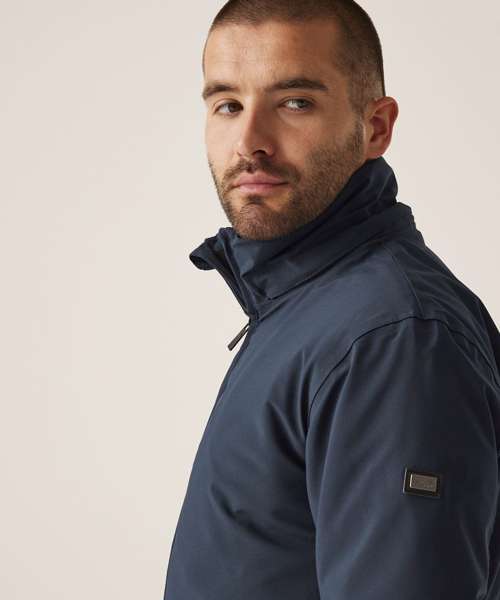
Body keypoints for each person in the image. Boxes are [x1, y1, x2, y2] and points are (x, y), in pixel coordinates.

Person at [163, 1, 500, 598]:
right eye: (228, 105)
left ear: (376, 127)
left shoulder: (389, 338)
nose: (250, 142)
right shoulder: (307, 307)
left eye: (295, 102)